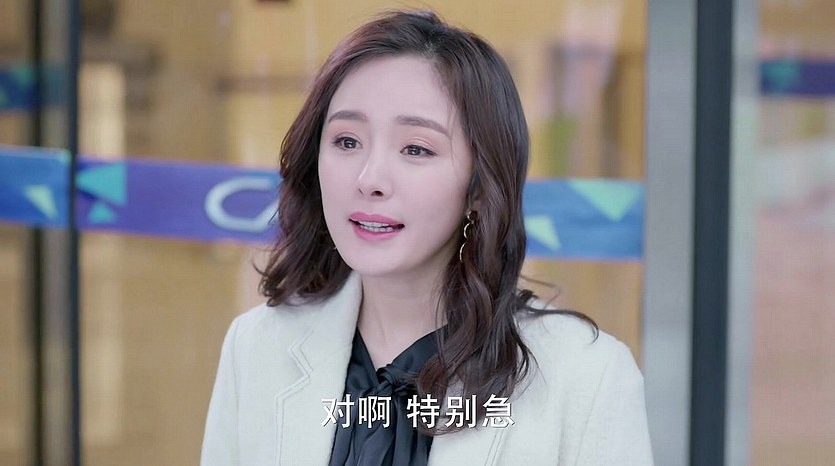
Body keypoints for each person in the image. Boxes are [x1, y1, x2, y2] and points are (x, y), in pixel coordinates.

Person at [201, 10, 653, 466]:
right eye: (347, 141)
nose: (369, 179)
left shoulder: (587, 376)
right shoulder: (256, 347)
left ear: (479, 188)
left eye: (416, 148)